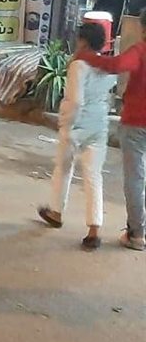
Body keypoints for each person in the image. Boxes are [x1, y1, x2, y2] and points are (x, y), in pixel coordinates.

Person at [38, 23, 117, 250]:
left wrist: (67, 123)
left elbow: (76, 100)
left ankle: (56, 212)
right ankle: (94, 228)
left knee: (63, 168)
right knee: (93, 175)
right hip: (99, 124)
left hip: (77, 125)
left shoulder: (78, 65)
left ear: (83, 41)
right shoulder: (108, 67)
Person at [74, 10, 146, 251]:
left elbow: (118, 65)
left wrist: (87, 57)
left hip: (137, 123)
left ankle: (136, 233)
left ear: (143, 28)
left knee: (135, 179)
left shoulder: (140, 50)